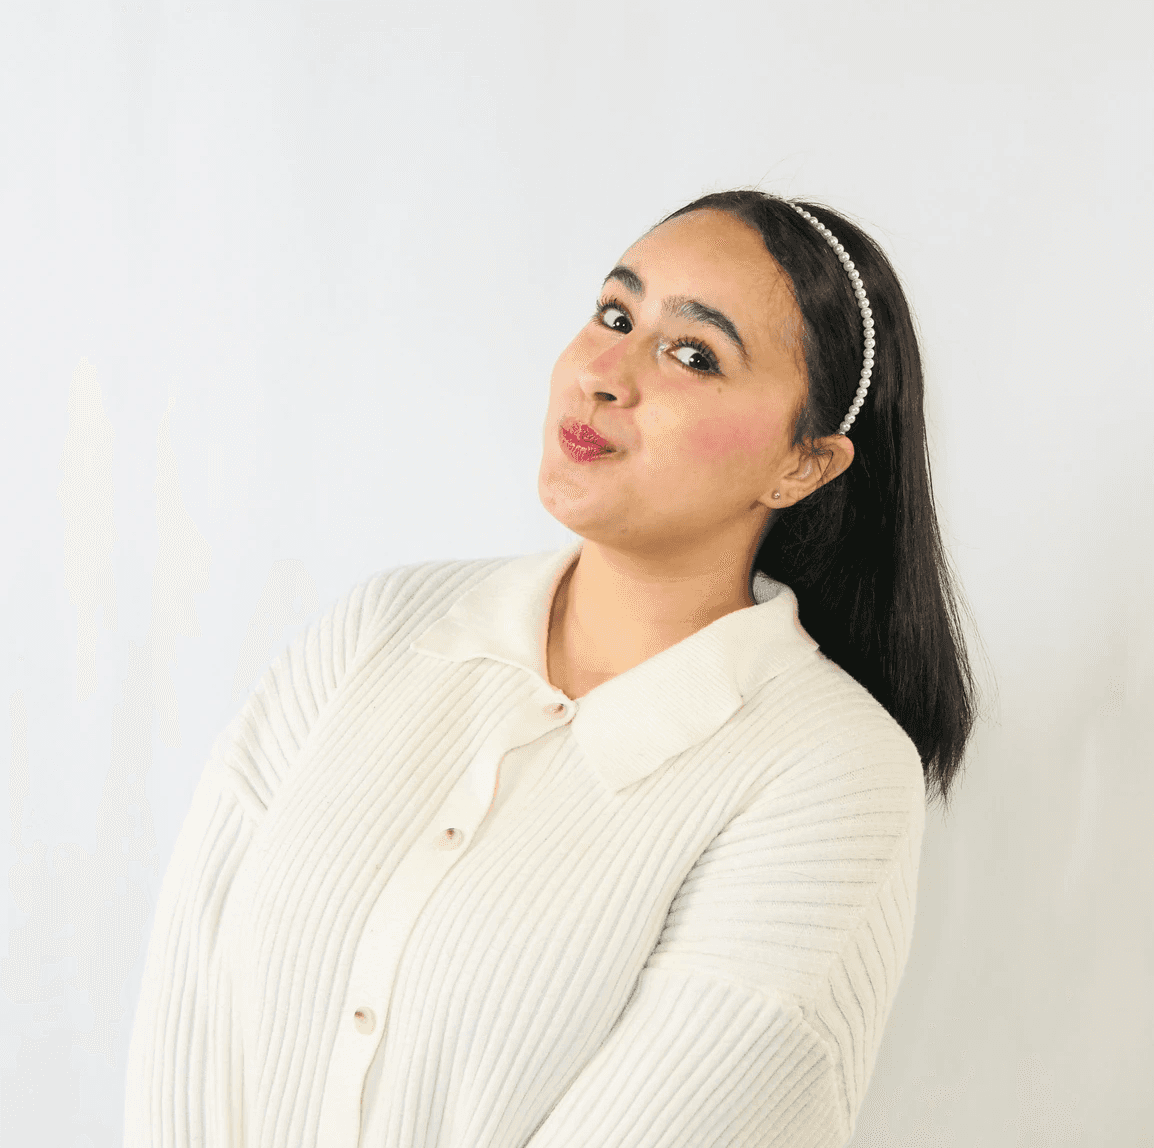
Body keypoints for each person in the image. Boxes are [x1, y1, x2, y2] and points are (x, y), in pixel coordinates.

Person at [124, 189, 974, 1148]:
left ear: (805, 467)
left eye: (693, 354)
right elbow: (192, 993)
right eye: (616, 314)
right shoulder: (382, 628)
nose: (606, 374)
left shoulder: (831, 773)